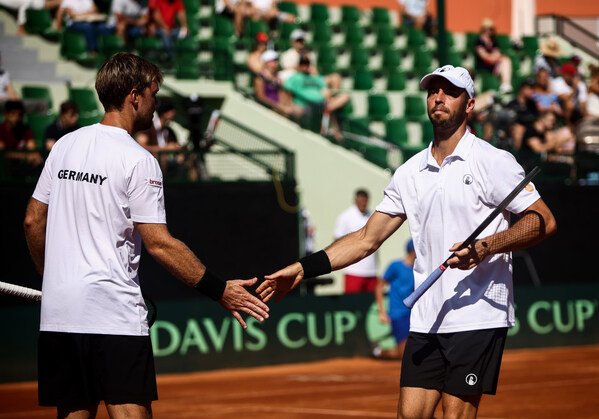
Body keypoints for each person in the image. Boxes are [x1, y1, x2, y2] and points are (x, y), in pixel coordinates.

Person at [257, 64, 557, 419]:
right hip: (426, 318)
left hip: (475, 316)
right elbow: (367, 239)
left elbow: (543, 220)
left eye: (450, 91)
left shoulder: (493, 161)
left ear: (470, 104)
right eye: (433, 91)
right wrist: (300, 269)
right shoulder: (409, 172)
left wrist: (486, 247)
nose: (439, 97)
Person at [23, 52, 269, 418]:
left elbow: (32, 221)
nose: (156, 104)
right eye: (154, 94)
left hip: (60, 315)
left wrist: (52, 278)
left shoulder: (64, 146)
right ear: (134, 95)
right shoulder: (139, 160)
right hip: (112, 316)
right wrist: (220, 290)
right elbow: (160, 244)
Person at [283, 54, 349, 141]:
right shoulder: (294, 78)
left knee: (343, 97)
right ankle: (332, 128)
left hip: (321, 103)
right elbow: (286, 91)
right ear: (299, 65)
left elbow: (325, 89)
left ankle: (333, 127)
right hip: (304, 104)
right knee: (300, 110)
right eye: (303, 64)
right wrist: (288, 104)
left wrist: (328, 96)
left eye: (307, 64)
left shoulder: (315, 78)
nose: (305, 66)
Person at [372, 238, 415, 360]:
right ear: (413, 250)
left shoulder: (418, 270)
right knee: (403, 354)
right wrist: (382, 312)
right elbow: (379, 286)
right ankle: (378, 351)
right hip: (398, 314)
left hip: (413, 315)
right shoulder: (395, 266)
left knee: (413, 351)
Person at [333, 189, 378, 294]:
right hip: (353, 270)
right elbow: (337, 240)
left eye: (365, 201)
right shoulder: (346, 216)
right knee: (352, 304)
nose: (363, 203)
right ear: (356, 200)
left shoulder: (371, 216)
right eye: (361, 200)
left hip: (371, 270)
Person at [136, 97, 186, 177]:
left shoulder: (169, 130)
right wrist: (165, 148)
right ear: (164, 112)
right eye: (170, 110)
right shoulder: (149, 127)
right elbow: (140, 147)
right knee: (163, 157)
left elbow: (175, 147)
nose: (174, 113)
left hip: (167, 167)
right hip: (149, 167)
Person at [0, 99, 43, 176]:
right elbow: (3, 153)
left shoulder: (25, 129)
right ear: (5, 114)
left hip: (18, 165)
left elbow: (32, 148)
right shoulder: (1, 129)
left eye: (19, 114)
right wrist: (26, 156)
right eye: (12, 114)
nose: (16, 117)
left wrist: (34, 156)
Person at [474, 18, 513, 94]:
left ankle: (505, 84)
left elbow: (497, 53)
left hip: (494, 64)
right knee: (504, 61)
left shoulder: (494, 41)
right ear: (484, 29)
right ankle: (505, 84)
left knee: (506, 60)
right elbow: (484, 56)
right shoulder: (479, 41)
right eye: (489, 28)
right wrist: (493, 57)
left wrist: (494, 58)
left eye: (491, 29)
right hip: (484, 66)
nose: (490, 31)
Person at [253, 50, 297, 117]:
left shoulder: (278, 78)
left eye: (276, 60)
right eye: (273, 60)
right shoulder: (260, 78)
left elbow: (283, 94)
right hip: (266, 109)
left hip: (278, 108)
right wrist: (280, 107)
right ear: (266, 63)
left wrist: (287, 106)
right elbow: (261, 97)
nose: (276, 63)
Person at [551, 63, 587, 128]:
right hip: (558, 107)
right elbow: (564, 98)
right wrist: (574, 90)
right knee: (570, 104)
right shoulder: (558, 82)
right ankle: (567, 123)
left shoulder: (580, 85)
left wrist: (583, 111)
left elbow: (583, 102)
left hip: (573, 110)